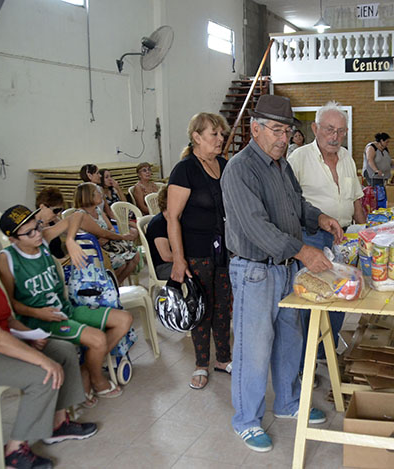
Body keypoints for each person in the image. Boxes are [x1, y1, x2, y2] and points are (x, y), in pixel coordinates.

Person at [221, 94, 343, 452]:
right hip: (254, 271)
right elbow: (257, 228)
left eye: (288, 131)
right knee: (254, 349)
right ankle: (246, 419)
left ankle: (288, 402)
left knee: (289, 340)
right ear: (255, 128)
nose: (283, 138)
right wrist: (303, 251)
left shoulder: (281, 165)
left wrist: (318, 218)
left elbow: (295, 205)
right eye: (276, 130)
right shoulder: (240, 169)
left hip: (285, 270)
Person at [0, 222, 98, 469]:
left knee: (62, 350)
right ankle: (15, 451)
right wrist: (40, 358)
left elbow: (6, 319)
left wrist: (29, 335)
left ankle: (58, 423)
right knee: (43, 372)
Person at [0, 204, 133, 404]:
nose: (36, 233)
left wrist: (70, 239)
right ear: (13, 239)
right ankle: (97, 380)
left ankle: (86, 371)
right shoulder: (7, 259)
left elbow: (77, 215)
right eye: (29, 232)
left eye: (37, 226)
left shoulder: (42, 238)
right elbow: (11, 305)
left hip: (65, 309)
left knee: (124, 319)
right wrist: (38, 313)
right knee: (97, 340)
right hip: (42, 321)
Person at [288, 100, 366, 373]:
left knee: (340, 296)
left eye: (341, 131)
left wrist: (364, 233)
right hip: (312, 238)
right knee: (312, 301)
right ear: (315, 128)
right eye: (330, 129)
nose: (335, 136)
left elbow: (356, 199)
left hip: (343, 238)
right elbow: (289, 203)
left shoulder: (346, 157)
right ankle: (305, 363)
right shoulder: (298, 158)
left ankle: (326, 351)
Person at [167, 112, 233, 390]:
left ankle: (224, 359)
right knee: (201, 309)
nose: (220, 139)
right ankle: (200, 364)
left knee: (223, 308)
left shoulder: (223, 164)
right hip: (196, 251)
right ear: (196, 137)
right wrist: (179, 259)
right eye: (214, 135)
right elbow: (172, 217)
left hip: (223, 250)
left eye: (221, 134)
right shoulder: (185, 169)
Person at [74, 182, 141, 284]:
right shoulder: (82, 215)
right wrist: (122, 237)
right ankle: (111, 285)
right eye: (98, 192)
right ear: (89, 196)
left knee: (135, 256)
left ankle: (116, 284)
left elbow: (110, 228)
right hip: (95, 249)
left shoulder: (97, 210)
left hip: (108, 243)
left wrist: (110, 236)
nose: (101, 195)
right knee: (121, 262)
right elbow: (103, 233)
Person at [145, 185, 172, 280]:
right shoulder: (158, 224)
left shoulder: (174, 219)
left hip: (173, 263)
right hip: (164, 267)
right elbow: (166, 256)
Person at [35, 187, 67, 259]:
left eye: (60, 210)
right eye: (56, 210)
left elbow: (72, 232)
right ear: (42, 207)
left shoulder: (53, 220)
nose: (58, 214)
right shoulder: (33, 228)